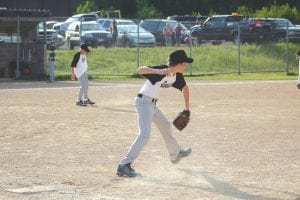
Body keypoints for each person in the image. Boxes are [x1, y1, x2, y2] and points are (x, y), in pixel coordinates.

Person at [116, 49, 193, 177]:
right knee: (144, 135)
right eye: (184, 63)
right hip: (143, 102)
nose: (186, 65)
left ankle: (175, 155)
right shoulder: (162, 71)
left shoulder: (176, 75)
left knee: (166, 126)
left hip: (152, 105)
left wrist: (186, 108)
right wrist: (160, 71)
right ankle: (124, 165)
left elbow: (185, 88)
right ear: (179, 63)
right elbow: (140, 70)